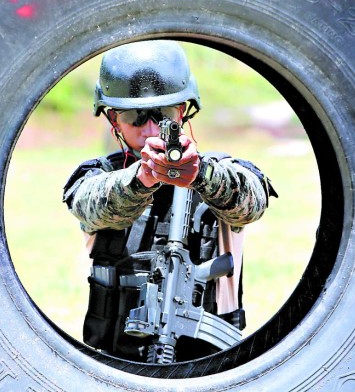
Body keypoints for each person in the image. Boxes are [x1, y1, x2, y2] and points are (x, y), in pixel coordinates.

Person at [62, 40, 277, 361]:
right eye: (135, 115)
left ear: (182, 111)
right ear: (113, 120)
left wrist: (200, 174)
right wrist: (142, 177)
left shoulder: (224, 171)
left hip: (209, 359)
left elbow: (252, 202)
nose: (150, 128)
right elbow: (89, 205)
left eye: (162, 114)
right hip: (119, 356)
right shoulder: (99, 176)